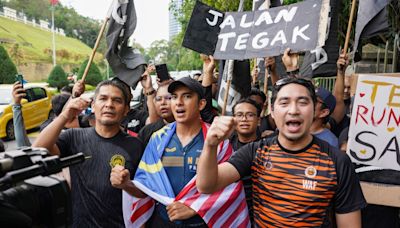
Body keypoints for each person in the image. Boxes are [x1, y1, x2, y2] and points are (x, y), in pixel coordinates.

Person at [197, 77, 366, 227]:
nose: (293, 110)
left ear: (314, 110)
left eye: (302, 102)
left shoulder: (338, 161)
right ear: (272, 110)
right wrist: (210, 145)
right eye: (284, 103)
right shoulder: (256, 152)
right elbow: (206, 185)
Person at [33, 78, 144, 227]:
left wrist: (127, 184)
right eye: (103, 98)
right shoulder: (73, 137)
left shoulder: (135, 145)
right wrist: (65, 115)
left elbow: (145, 193)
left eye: (117, 100)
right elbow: (38, 150)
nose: (109, 105)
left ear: (126, 109)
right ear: (93, 105)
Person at [138, 81, 174, 146]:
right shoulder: (146, 132)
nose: (163, 102)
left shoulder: (188, 129)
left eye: (168, 98)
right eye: (159, 99)